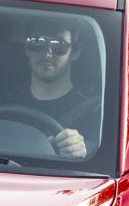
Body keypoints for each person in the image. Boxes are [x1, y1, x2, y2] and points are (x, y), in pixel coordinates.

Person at [18, 14, 96, 157]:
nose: (47, 54)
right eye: (37, 43)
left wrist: (85, 150)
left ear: (76, 51)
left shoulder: (95, 114)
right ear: (27, 48)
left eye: (58, 45)